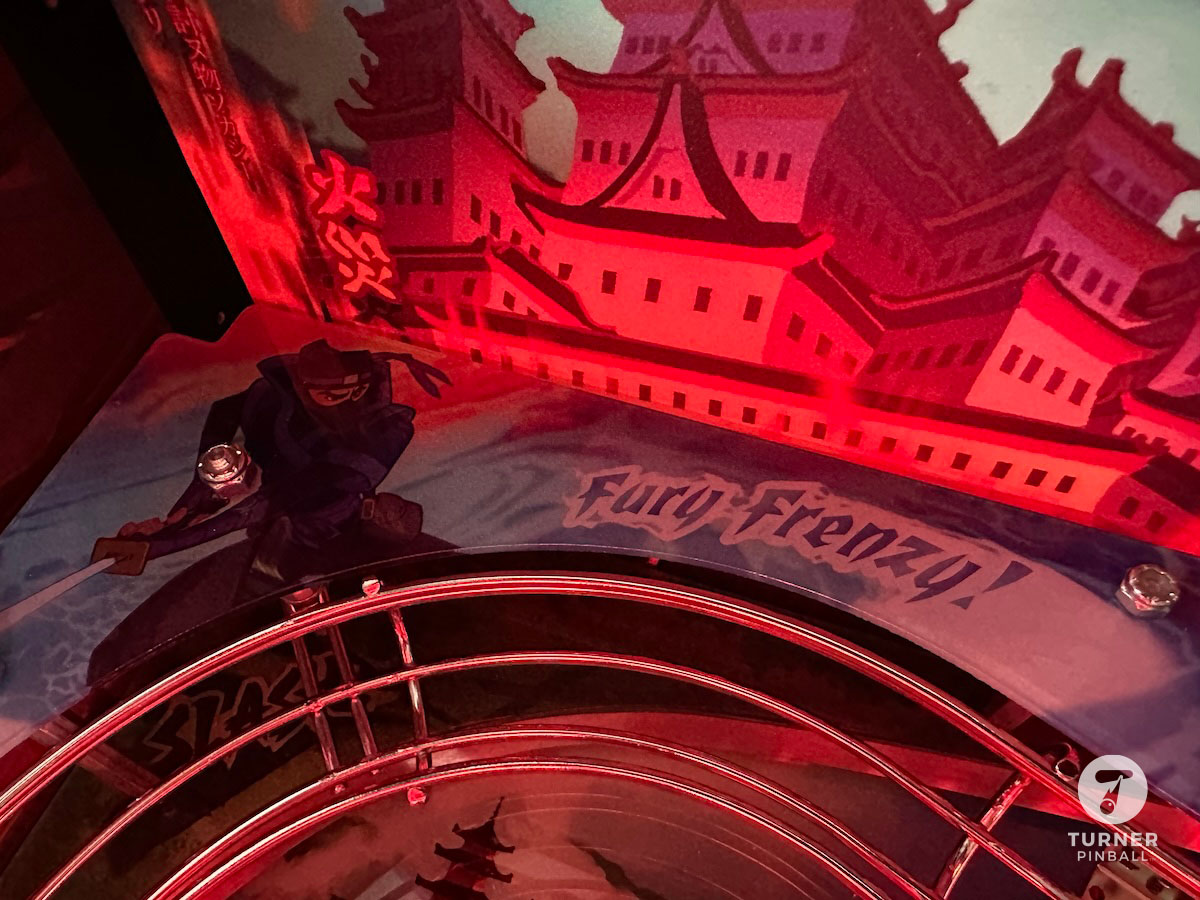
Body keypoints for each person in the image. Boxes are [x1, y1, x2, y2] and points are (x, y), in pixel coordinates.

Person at [114, 338, 450, 582]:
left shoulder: (384, 432)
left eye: (350, 389)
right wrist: (188, 505)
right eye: (323, 390)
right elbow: (226, 414)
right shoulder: (275, 402)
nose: (344, 398)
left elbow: (282, 497)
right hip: (281, 510)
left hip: (321, 520)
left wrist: (167, 542)